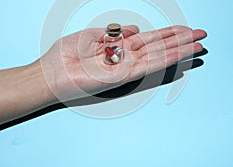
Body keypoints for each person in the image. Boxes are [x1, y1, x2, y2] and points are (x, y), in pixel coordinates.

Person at [0, 24, 207, 124]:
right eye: (114, 35)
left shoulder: (112, 43)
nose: (114, 39)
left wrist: (41, 76)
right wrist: (45, 76)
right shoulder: (110, 42)